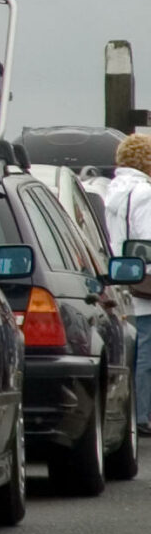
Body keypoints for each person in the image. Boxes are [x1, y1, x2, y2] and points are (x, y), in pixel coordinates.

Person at [100, 133, 151, 435]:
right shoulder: (144, 193)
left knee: (136, 350)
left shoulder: (113, 190)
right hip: (146, 281)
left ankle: (136, 413)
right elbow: (146, 239)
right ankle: (143, 414)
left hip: (125, 279)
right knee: (147, 353)